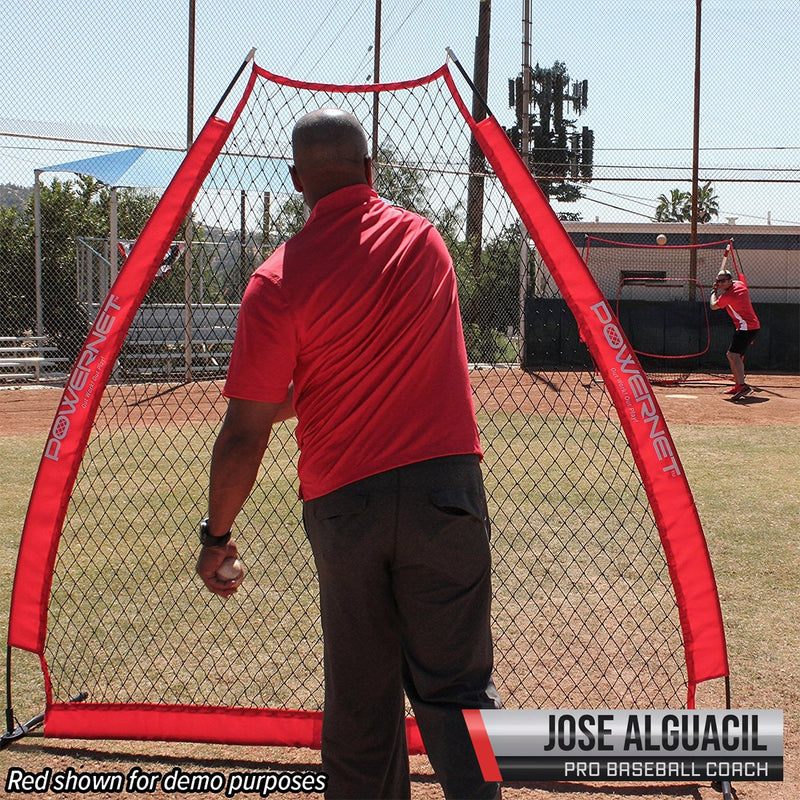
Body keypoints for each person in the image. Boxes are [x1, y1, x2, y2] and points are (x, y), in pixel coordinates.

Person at [196, 108, 501, 800]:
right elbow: (369, 359)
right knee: (458, 694)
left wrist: (216, 535)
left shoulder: (275, 282)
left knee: (362, 706)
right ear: (370, 171)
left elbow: (246, 431)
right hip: (444, 493)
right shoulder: (424, 242)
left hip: (344, 505)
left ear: (296, 179)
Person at [709, 268, 760, 400]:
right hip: (748, 327)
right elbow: (738, 281)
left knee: (733, 355)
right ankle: (738, 385)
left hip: (746, 328)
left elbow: (713, 306)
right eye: (718, 281)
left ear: (730, 281)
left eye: (723, 281)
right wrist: (721, 285)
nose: (720, 283)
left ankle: (742, 385)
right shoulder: (739, 284)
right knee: (733, 355)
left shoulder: (729, 295)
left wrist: (714, 292)